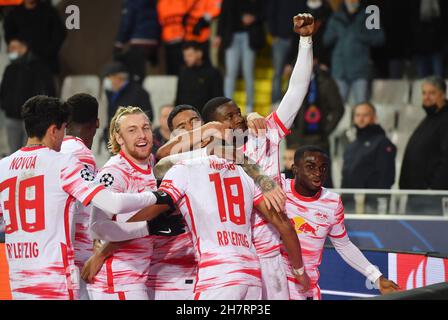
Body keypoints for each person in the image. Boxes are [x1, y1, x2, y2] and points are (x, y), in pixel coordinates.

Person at [0, 95, 172, 300]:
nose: (65, 139)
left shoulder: (3, 166)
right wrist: (156, 197)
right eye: (64, 130)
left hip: (19, 282)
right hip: (57, 281)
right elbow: (111, 203)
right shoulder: (63, 162)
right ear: (54, 130)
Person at [201, 13, 314, 299]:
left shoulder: (265, 132)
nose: (239, 119)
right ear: (214, 127)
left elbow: (297, 90)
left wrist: (305, 41)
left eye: (239, 112)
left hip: (271, 257)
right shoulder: (206, 160)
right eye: (230, 117)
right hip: (228, 262)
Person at [282, 146, 400, 299]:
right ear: (295, 169)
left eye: (323, 168)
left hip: (304, 289)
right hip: (271, 283)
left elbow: (344, 245)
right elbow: (246, 166)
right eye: (310, 167)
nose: (318, 173)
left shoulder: (332, 202)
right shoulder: (277, 187)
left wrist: (377, 278)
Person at [86, 106, 161, 300]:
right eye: (132, 130)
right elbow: (98, 227)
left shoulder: (151, 163)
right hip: (117, 282)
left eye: (146, 128)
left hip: (138, 277)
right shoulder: (113, 172)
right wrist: (148, 227)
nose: (142, 135)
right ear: (119, 138)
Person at [60, 93, 100, 300]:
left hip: (61, 256)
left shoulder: (56, 149)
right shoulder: (80, 153)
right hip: (78, 258)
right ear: (98, 122)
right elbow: (85, 203)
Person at [286, 62, 344, 187]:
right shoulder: (293, 80)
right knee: (297, 181)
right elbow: (286, 109)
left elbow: (338, 109)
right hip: (298, 139)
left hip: (319, 139)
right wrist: (291, 136)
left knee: (322, 177)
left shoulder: (326, 81)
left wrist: (325, 130)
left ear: (316, 60)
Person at [399, 76, 448, 214]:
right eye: (424, 93)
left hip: (432, 197)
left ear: (443, 94)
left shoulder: (445, 119)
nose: (426, 97)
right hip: (417, 194)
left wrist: (434, 188)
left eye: (432, 93)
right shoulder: (429, 119)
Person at [0, 37, 55, 154]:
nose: (10, 51)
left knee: (30, 153)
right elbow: (3, 91)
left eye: (13, 48)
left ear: (23, 48)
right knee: (13, 154)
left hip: (31, 119)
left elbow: (46, 91)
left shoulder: (39, 68)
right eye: (9, 48)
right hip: (12, 117)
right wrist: (6, 106)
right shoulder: (10, 69)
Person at [323, 0, 384, 104]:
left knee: (362, 104)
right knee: (338, 107)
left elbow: (380, 39)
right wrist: (336, 33)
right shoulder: (336, 17)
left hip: (360, 68)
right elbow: (326, 40)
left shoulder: (369, 15)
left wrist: (360, 35)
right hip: (340, 68)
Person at [341, 102, 396, 213]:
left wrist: (380, 201)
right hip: (349, 203)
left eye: (365, 115)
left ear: (374, 117)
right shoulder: (352, 145)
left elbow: (386, 176)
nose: (361, 119)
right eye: (357, 115)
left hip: (372, 204)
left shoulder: (382, 142)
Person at [215, 0, 265, 113]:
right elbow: (222, 16)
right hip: (231, 37)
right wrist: (218, 35)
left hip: (249, 36)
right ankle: (228, 106)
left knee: (248, 72)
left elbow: (263, 11)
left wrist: (253, 18)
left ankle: (249, 107)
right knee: (230, 73)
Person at [3, 0, 66, 74]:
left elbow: (59, 34)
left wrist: (47, 52)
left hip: (47, 67)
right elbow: (10, 39)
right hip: (22, 68)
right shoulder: (14, 14)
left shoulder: (49, 11)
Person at [102, 61, 154, 145]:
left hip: (132, 142)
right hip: (114, 141)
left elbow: (148, 117)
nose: (107, 81)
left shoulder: (139, 93)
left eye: (109, 77)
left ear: (118, 78)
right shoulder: (111, 93)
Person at [113, 0, 161, 83]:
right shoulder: (153, 3)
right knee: (145, 76)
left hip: (138, 41)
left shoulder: (131, 2)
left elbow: (126, 23)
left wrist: (119, 43)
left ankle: (136, 92)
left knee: (135, 77)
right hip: (153, 42)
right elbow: (158, 21)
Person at [175, 41, 223, 114]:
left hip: (206, 117)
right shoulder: (183, 73)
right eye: (185, 56)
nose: (186, 59)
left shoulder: (212, 73)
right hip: (187, 117)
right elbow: (179, 97)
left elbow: (218, 99)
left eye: (190, 55)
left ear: (199, 54)